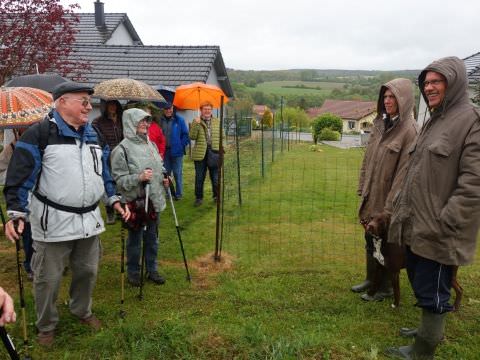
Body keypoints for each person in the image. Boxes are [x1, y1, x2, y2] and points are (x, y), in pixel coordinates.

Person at [3, 82, 130, 346]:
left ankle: (81, 310)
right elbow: (19, 178)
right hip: (53, 224)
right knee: (47, 279)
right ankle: (46, 325)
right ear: (61, 102)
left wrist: (114, 198)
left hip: (89, 222)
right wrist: (16, 212)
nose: (88, 107)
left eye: (89, 102)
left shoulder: (94, 135)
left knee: (87, 271)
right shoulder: (38, 135)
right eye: (82, 101)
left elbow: (103, 174)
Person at [385, 57, 480, 359]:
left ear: (455, 83)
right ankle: (427, 328)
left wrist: (448, 219)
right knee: (418, 275)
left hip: (440, 227)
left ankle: (423, 349)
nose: (430, 87)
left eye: (437, 81)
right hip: (418, 223)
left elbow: (474, 181)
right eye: (426, 82)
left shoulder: (471, 120)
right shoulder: (435, 119)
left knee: (434, 288)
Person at [353, 79, 418, 301]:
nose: (388, 101)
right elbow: (367, 160)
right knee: (370, 240)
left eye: (393, 97)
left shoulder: (410, 131)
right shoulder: (381, 125)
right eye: (385, 97)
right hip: (372, 196)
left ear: (405, 100)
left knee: (387, 245)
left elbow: (404, 175)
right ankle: (371, 279)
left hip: (390, 204)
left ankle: (385, 288)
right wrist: (363, 187)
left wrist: (389, 209)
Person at [111, 108, 168, 286]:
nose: (145, 124)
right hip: (135, 203)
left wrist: (164, 178)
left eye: (147, 120)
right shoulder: (121, 150)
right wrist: (139, 178)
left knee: (152, 238)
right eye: (141, 121)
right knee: (135, 240)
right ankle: (134, 271)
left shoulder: (150, 144)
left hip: (154, 200)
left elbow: (158, 167)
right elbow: (119, 181)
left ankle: (152, 269)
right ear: (130, 123)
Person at [0, 132, 34, 280]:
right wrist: (13, 146)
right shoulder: (13, 147)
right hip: (23, 195)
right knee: (28, 233)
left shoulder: (42, 140)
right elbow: (1, 163)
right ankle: (30, 265)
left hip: (43, 193)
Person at [92, 100, 124, 225]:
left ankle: (120, 209)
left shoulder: (121, 120)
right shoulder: (97, 122)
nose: (112, 107)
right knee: (108, 183)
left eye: (115, 105)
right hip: (106, 155)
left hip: (120, 155)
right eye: (110, 105)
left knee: (120, 183)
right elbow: (97, 139)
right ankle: (110, 211)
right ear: (104, 107)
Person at [189, 101, 221, 206]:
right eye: (205, 109)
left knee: (215, 177)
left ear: (212, 110)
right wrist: (196, 124)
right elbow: (192, 136)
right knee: (199, 177)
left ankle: (216, 196)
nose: (207, 111)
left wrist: (222, 149)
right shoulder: (196, 121)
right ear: (201, 110)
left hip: (214, 152)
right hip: (200, 154)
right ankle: (199, 198)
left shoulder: (217, 121)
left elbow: (222, 136)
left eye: (209, 109)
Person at [160, 104, 190, 200]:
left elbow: (185, 135)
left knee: (177, 173)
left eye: (170, 108)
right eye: (166, 108)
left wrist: (181, 146)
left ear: (173, 108)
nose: (168, 110)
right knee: (166, 173)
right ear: (163, 110)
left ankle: (178, 194)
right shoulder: (160, 121)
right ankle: (168, 194)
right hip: (165, 152)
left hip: (177, 152)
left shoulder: (179, 120)